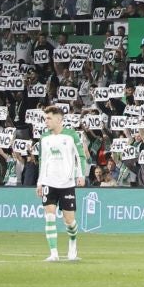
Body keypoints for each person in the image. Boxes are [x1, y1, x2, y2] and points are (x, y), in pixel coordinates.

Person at [37, 108, 88, 262]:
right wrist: (40, 182)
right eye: (45, 118)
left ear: (59, 120)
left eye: (49, 118)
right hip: (48, 181)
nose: (46, 121)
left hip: (66, 183)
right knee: (50, 216)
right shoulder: (44, 137)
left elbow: (80, 155)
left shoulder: (71, 135)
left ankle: (73, 244)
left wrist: (81, 174)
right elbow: (42, 160)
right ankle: (54, 253)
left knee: (69, 221)